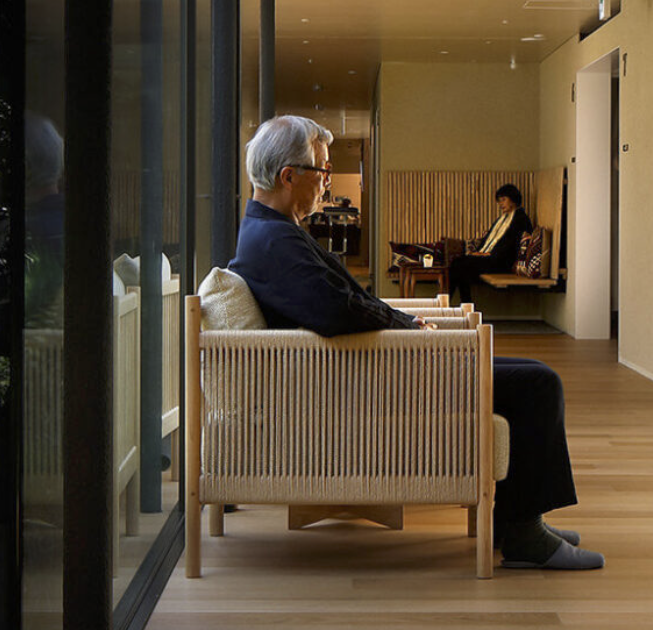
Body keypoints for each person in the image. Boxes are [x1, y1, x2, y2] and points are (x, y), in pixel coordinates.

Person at [229, 115, 602, 570]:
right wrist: (407, 326)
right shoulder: (275, 240)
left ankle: (517, 523)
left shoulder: (270, 232)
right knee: (538, 384)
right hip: (371, 374)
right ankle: (524, 534)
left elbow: (343, 303)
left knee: (529, 374)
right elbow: (337, 311)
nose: (326, 185)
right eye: (323, 172)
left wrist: (403, 321)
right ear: (289, 176)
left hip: (372, 363)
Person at [447, 183, 534, 308]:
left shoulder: (521, 219)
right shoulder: (503, 219)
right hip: (491, 258)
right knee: (458, 265)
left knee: (459, 265)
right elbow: (488, 240)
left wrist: (486, 254)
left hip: (502, 262)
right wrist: (479, 252)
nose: (500, 204)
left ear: (513, 199)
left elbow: (510, 245)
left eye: (503, 200)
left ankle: (459, 306)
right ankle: (465, 306)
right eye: (499, 201)